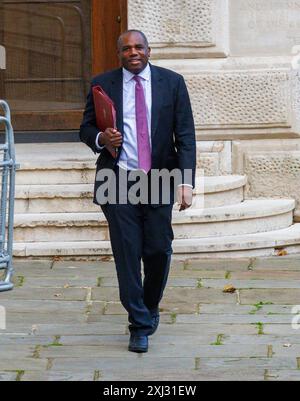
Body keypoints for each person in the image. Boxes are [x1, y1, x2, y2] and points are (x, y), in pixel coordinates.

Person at [80, 30, 196, 353]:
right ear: (119, 53)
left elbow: (185, 135)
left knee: (158, 249)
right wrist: (103, 139)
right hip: (118, 178)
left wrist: (186, 182)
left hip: (158, 177)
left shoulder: (172, 83)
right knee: (127, 253)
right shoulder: (103, 84)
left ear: (149, 50)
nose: (133, 52)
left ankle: (149, 303)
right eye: (126, 48)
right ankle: (139, 325)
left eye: (138, 47)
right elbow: (86, 128)